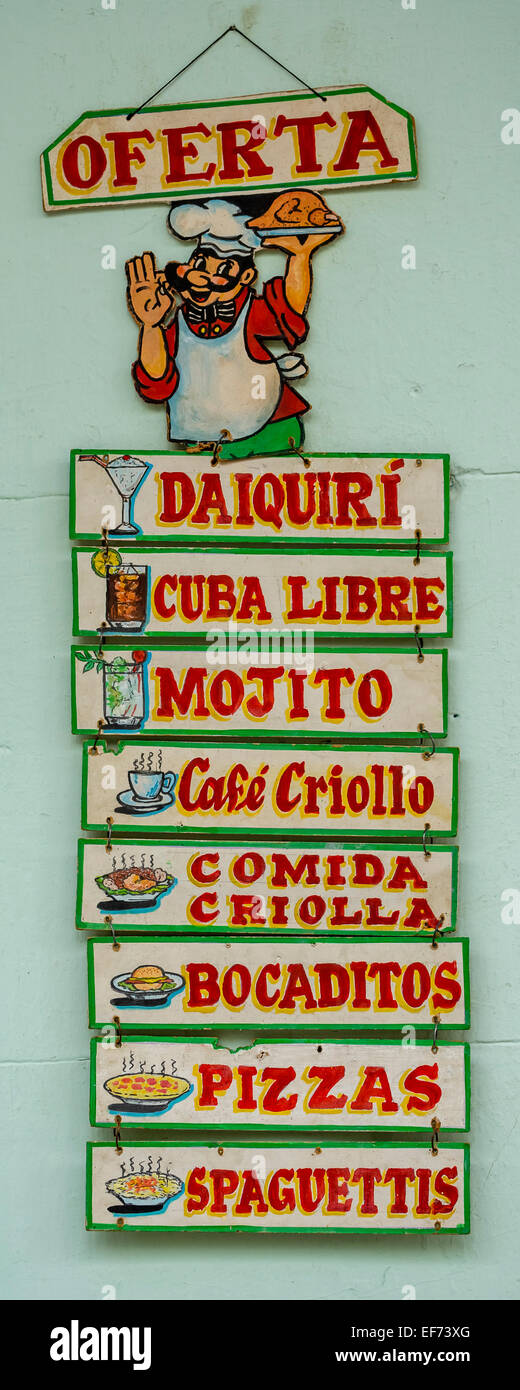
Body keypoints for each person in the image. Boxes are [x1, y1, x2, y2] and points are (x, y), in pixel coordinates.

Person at [125, 196, 340, 460]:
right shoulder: (178, 322)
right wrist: (150, 324)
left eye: (224, 268)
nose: (204, 278)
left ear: (246, 277)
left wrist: (300, 255)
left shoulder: (249, 310)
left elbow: (289, 310)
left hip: (269, 430)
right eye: (200, 264)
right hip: (205, 444)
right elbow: (157, 381)